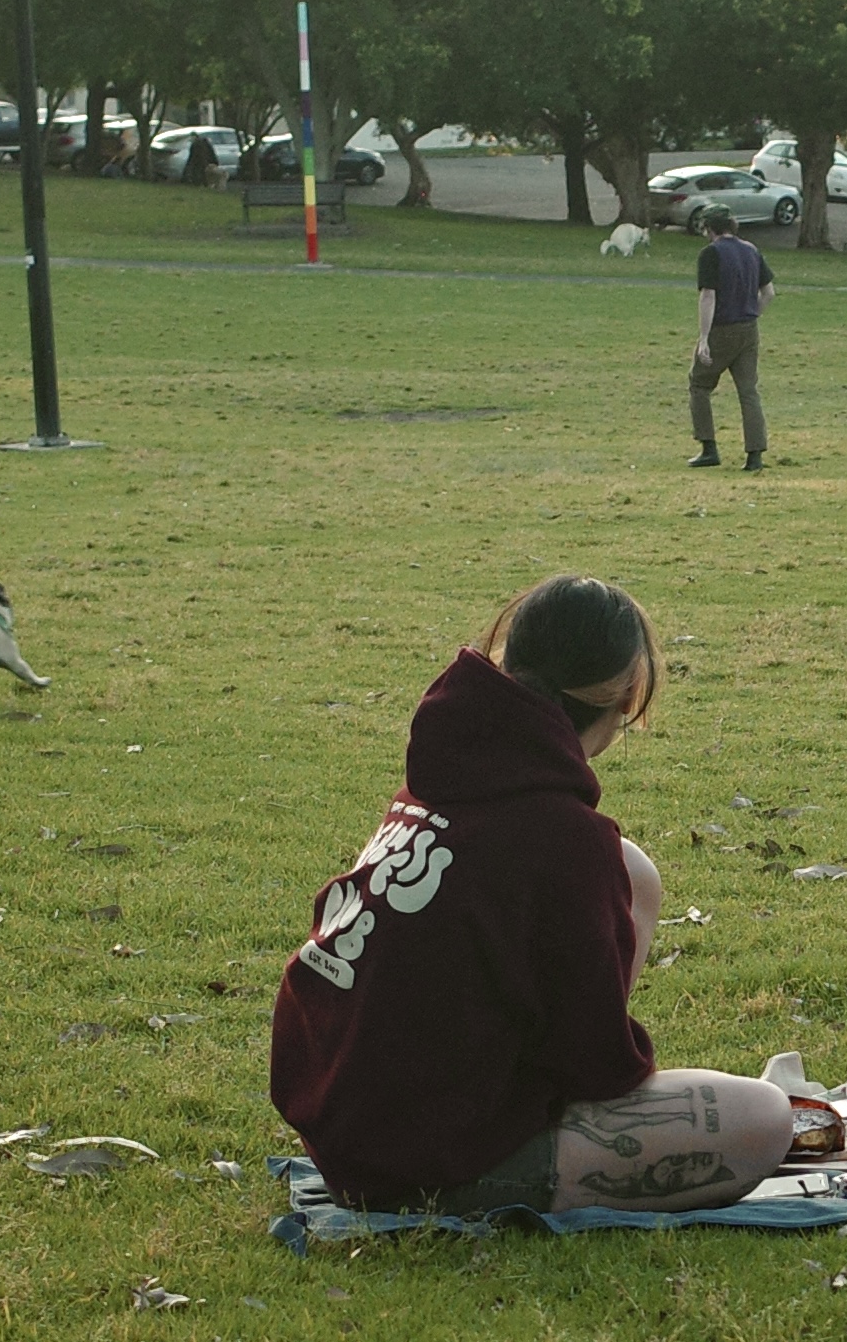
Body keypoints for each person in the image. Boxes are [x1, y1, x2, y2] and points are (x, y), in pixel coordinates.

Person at [270, 575, 792, 1214]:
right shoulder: (560, 839)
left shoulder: (449, 769)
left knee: (633, 872)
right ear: (622, 697)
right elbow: (599, 1068)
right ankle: (500, 1169)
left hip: (342, 1111)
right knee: (764, 1118)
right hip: (415, 1157)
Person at [687, 206, 774, 471]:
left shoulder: (711, 253)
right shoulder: (751, 250)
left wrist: (704, 337)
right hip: (749, 329)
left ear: (709, 229)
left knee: (699, 384)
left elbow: (708, 296)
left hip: (722, 328)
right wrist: (751, 315)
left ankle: (708, 447)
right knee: (748, 391)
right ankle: (755, 455)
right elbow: (768, 292)